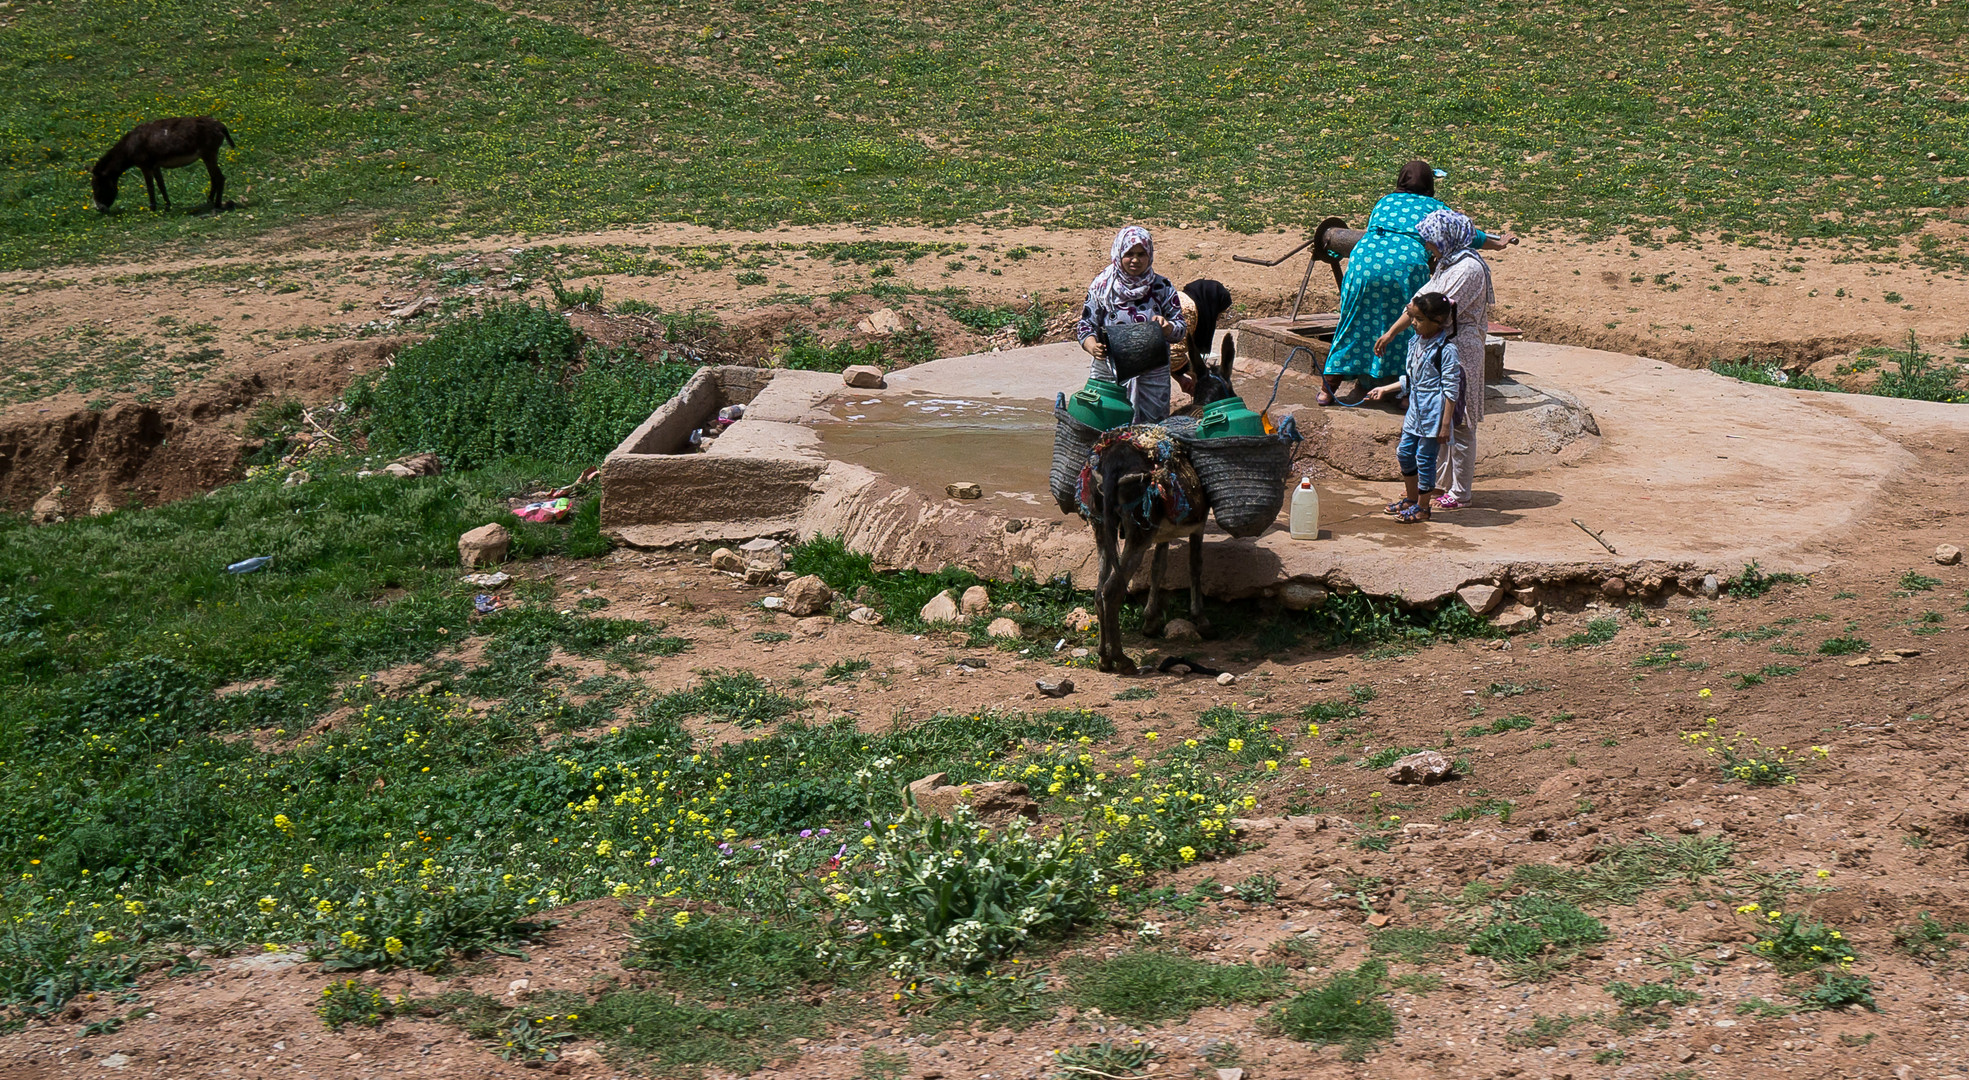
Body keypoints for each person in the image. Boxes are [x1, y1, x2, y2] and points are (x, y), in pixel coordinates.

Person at [1319, 160, 1513, 405]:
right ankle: (1406, 392)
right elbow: (1465, 233)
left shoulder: (1385, 201)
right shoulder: (1434, 207)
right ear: (1429, 184)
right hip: (1406, 267)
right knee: (1416, 326)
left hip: (1363, 262)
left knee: (1353, 325)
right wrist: (1498, 243)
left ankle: (1328, 389)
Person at [1374, 208, 1494, 510]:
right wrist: (1391, 333)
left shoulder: (1468, 270)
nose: (1428, 247)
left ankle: (1460, 491)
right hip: (1439, 342)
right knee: (1437, 426)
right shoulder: (1446, 263)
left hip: (1461, 348)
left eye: (1431, 241)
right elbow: (1418, 306)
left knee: (1460, 421)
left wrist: (1397, 332)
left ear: (1446, 238)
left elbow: (1426, 309)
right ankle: (1438, 485)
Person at [1363, 293, 1458, 524]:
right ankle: (1411, 499)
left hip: (1434, 415)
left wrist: (1445, 425)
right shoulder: (1415, 342)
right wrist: (1385, 389)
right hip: (1416, 411)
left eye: (1418, 319)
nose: (1413, 323)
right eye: (1412, 317)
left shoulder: (1446, 350)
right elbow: (1415, 379)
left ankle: (1423, 508)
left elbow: (1451, 390)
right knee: (1405, 453)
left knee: (1425, 459)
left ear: (1437, 320)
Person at [1078, 226, 1186, 423]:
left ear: (1150, 255)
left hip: (1152, 375)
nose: (1135, 260)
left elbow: (1180, 327)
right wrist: (1092, 346)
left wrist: (1167, 327)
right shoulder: (1102, 287)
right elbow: (1086, 325)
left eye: (1141, 254)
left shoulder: (1162, 287)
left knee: (1151, 434)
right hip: (1110, 370)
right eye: (1129, 254)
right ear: (1119, 253)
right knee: (1105, 427)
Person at [1170, 279, 1233, 398]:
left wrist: (1181, 379)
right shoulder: (1189, 309)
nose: (1217, 319)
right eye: (1219, 313)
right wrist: (1197, 375)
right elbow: (1172, 354)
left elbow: (1167, 350)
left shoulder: (1182, 300)